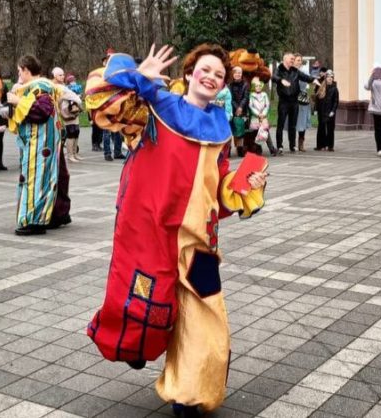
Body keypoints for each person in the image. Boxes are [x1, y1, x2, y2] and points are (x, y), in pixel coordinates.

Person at [85, 44, 267, 416]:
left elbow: (217, 187)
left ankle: (187, 393)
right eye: (206, 69)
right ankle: (136, 348)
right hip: (152, 236)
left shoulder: (220, 129)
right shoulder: (156, 106)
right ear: (189, 73)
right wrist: (139, 75)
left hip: (198, 240)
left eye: (219, 74)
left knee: (208, 319)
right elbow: (100, 103)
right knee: (145, 309)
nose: (212, 77)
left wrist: (249, 182)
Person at [7, 55, 71, 235]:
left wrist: (17, 101)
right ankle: (56, 214)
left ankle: (34, 220)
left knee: (37, 179)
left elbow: (42, 111)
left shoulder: (40, 87)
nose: (19, 75)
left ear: (26, 70)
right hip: (45, 141)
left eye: (20, 71)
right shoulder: (43, 86)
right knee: (54, 176)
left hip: (40, 142)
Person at [272, 51, 314, 154]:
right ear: (285, 59)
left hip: (294, 102)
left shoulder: (295, 71)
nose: (293, 60)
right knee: (280, 124)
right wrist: (281, 80)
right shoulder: (279, 69)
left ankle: (292, 146)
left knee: (293, 125)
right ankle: (280, 146)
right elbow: (274, 77)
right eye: (291, 59)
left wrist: (315, 80)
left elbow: (305, 77)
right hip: (284, 102)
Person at [248, 78, 276, 156]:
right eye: (256, 86)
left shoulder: (264, 95)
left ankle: (272, 149)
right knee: (255, 134)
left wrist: (263, 114)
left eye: (260, 86)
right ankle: (257, 150)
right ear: (254, 87)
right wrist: (257, 114)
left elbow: (267, 105)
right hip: (255, 117)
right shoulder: (252, 95)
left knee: (266, 133)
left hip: (263, 117)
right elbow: (251, 106)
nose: (258, 87)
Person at [227, 66, 250, 156]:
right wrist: (237, 108)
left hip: (242, 110)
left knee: (240, 130)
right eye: (236, 72)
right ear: (233, 74)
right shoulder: (229, 85)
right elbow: (230, 98)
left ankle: (240, 149)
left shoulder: (245, 84)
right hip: (230, 110)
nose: (238, 74)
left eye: (239, 72)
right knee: (229, 130)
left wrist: (240, 107)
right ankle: (227, 150)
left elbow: (246, 97)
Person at [314, 70, 339, 151]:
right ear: (326, 78)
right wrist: (316, 109)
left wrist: (333, 111)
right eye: (328, 77)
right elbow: (317, 99)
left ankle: (330, 146)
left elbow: (336, 101)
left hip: (330, 112)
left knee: (330, 129)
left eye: (331, 77)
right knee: (321, 128)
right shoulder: (321, 87)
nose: (330, 79)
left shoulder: (335, 89)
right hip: (322, 111)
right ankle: (321, 145)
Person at [294, 55, 313, 152]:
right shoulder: (291, 70)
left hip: (302, 96)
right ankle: (292, 144)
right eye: (297, 60)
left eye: (300, 60)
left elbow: (306, 81)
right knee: (293, 120)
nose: (299, 62)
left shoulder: (304, 70)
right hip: (293, 97)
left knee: (302, 120)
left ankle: (301, 142)